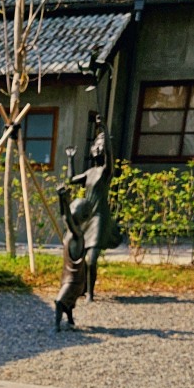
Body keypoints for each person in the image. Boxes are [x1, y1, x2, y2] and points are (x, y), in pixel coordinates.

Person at [70, 114, 114, 301]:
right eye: (95, 146)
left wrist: (103, 128)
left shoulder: (105, 171)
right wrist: (70, 159)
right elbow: (71, 180)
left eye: (100, 147)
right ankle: (82, 288)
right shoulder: (89, 173)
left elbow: (111, 156)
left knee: (91, 258)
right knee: (79, 254)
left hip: (99, 217)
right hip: (86, 217)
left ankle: (90, 293)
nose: (97, 149)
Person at [54, 184, 88, 332]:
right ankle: (70, 320)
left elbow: (67, 217)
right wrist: (61, 198)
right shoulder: (71, 232)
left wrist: (65, 200)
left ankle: (56, 327)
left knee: (59, 301)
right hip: (69, 276)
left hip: (73, 280)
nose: (71, 210)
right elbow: (64, 216)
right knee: (68, 303)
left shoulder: (77, 234)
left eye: (75, 208)